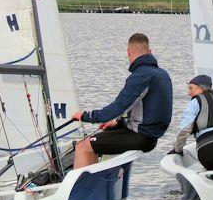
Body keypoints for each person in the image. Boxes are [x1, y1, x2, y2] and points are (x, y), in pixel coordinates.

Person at [71, 33, 173, 168]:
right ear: (150, 51)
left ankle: (82, 188)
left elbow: (118, 107)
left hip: (141, 136)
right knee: (97, 140)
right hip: (150, 136)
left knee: (83, 146)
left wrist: (84, 116)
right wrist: (117, 122)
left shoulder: (142, 75)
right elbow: (141, 108)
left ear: (128, 52)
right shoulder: (162, 74)